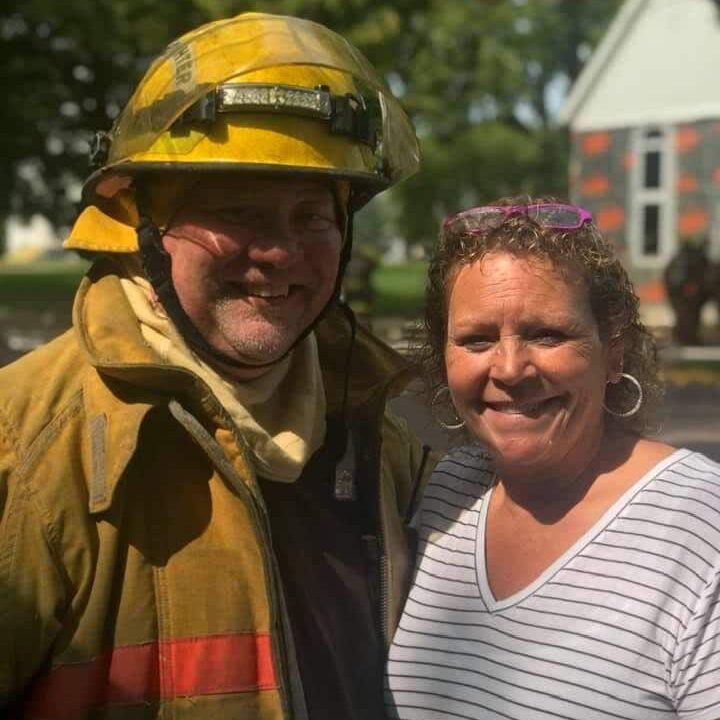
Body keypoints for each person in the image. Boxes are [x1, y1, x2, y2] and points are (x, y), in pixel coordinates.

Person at [0, 13, 435, 719]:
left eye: (312, 216)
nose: (282, 254)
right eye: (240, 211)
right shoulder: (27, 452)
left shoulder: (375, 440)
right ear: (140, 225)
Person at [385, 199, 720, 719]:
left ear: (614, 351)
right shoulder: (447, 494)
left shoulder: (702, 528)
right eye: (476, 340)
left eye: (547, 333)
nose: (510, 368)